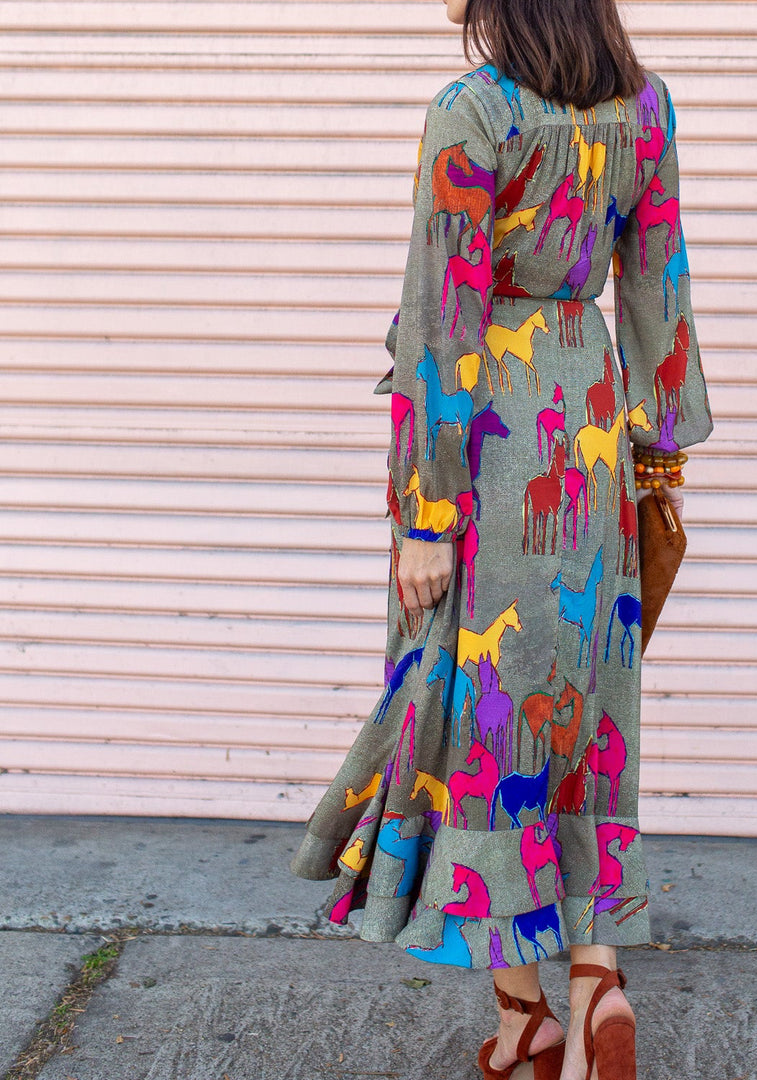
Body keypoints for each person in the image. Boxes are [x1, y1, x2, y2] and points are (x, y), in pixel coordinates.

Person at [289, 0, 713, 1075]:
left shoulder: (472, 114)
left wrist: (426, 513)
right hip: (595, 424)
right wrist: (659, 454)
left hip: (494, 443)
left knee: (489, 718)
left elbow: (442, 318)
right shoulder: (646, 109)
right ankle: (592, 980)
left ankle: (529, 1012)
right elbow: (658, 288)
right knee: (588, 704)